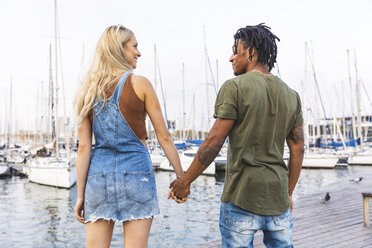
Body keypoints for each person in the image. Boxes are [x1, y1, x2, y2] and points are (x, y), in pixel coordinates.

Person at [169, 23, 304, 248]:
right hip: (278, 199)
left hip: (242, 197)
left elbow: (214, 141)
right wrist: (288, 193)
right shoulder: (292, 95)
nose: (231, 57)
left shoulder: (235, 87)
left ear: (251, 52)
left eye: (235, 50)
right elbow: (298, 149)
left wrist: (185, 181)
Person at [73, 24, 184, 248]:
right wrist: (182, 179)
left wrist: (80, 196)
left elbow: (84, 148)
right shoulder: (140, 84)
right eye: (135, 46)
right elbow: (164, 139)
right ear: (119, 49)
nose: (139, 53)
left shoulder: (86, 91)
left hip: (98, 177)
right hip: (137, 174)